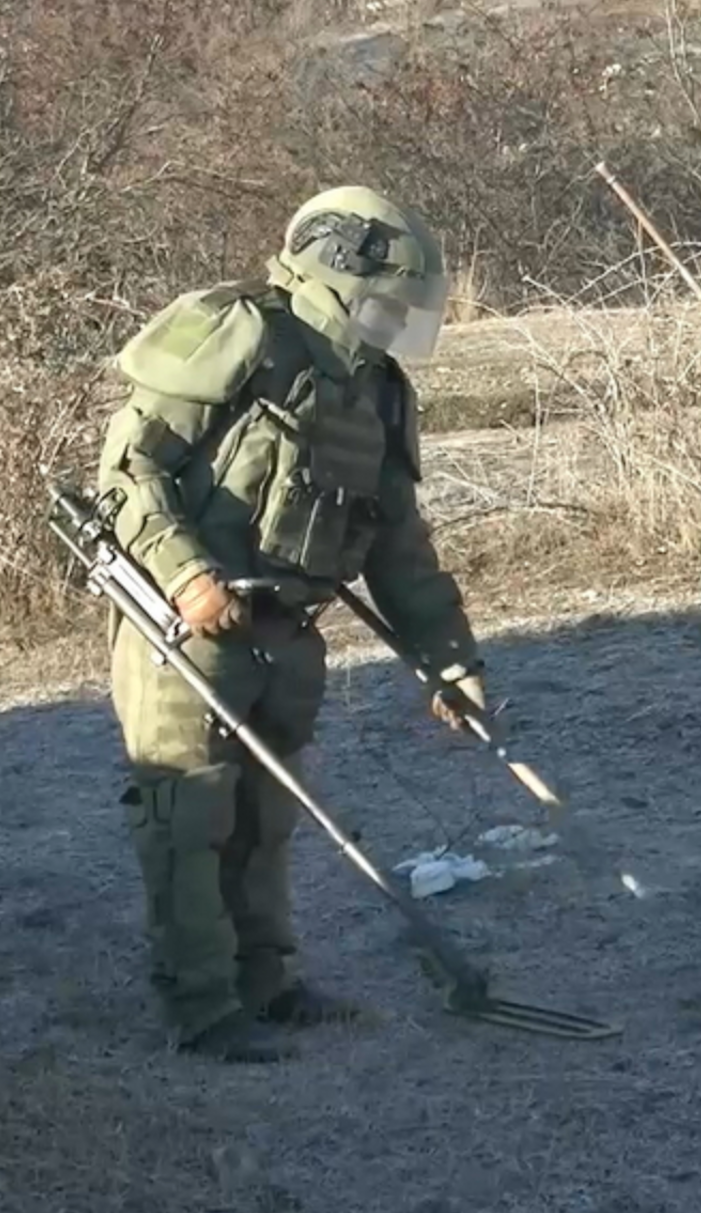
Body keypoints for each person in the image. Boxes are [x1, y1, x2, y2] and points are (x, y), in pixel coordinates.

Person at [94, 186, 488, 1063]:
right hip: (183, 623)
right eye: (389, 302)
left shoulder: (376, 391)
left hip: (286, 630)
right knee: (186, 815)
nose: (397, 323)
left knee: (267, 816)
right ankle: (201, 1005)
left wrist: (447, 659)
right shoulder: (240, 334)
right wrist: (187, 574)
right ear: (339, 275)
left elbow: (398, 546)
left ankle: (265, 981)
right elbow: (129, 472)